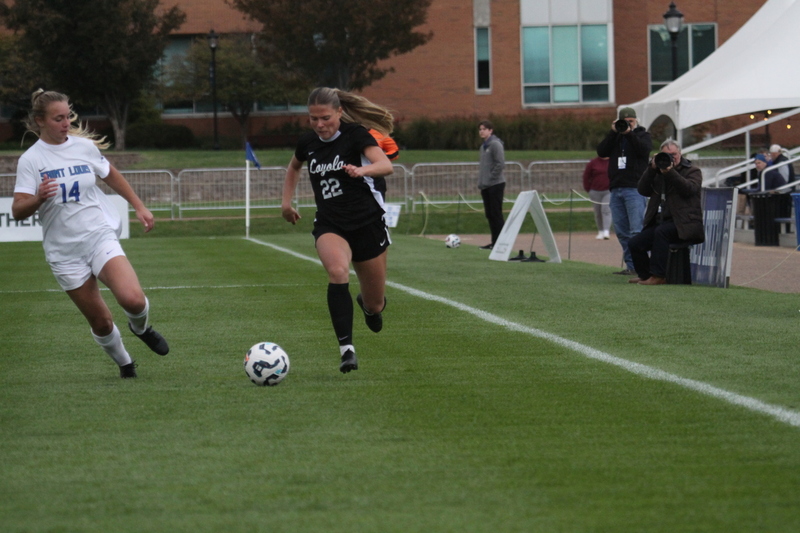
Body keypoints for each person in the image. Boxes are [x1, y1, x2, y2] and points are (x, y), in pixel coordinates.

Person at [12, 90, 168, 379]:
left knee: (133, 300)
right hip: (65, 253)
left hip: (98, 236)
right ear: (40, 121)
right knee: (102, 322)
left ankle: (141, 328)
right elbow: (18, 210)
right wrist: (38, 199)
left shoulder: (84, 148)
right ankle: (125, 364)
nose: (66, 123)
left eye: (68, 116)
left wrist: (139, 206)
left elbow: (111, 174)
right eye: (58, 118)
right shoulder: (31, 160)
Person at [281, 87, 394, 374]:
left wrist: (362, 171)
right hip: (331, 224)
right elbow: (294, 167)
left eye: (326, 118)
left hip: (367, 222)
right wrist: (286, 202)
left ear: (340, 113)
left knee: (375, 303)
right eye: (313, 119)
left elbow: (384, 165)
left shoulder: (356, 134)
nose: (320, 125)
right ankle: (347, 350)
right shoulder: (308, 142)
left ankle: (370, 307)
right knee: (338, 272)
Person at [628, 139, 704, 286]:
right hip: (661, 221)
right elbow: (642, 190)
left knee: (661, 233)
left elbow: (689, 190)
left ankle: (659, 276)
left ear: (680, 153)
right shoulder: (656, 171)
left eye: (674, 154)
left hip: (684, 223)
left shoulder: (692, 171)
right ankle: (645, 275)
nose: (671, 157)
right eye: (666, 155)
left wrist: (670, 172)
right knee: (635, 243)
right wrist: (651, 168)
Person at [596, 107, 651, 276]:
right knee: (621, 231)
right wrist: (613, 133)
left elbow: (643, 150)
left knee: (636, 230)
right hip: (616, 188)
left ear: (636, 121)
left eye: (631, 121)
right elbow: (601, 151)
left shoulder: (643, 135)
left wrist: (629, 133)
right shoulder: (615, 138)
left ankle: (644, 267)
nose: (627, 124)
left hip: (634, 188)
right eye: (624, 121)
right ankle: (631, 266)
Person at [477, 120, 505, 249]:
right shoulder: (483, 147)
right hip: (486, 186)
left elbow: (500, 164)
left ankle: (501, 242)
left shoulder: (495, 144)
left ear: (490, 130)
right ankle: (494, 242)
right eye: (480, 129)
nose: (481, 131)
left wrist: (490, 179)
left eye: (484, 129)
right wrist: (482, 182)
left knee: (496, 214)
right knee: (490, 215)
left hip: (495, 184)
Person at [582, 156, 611, 240]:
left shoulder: (613, 161)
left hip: (608, 191)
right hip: (595, 191)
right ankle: (600, 231)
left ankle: (606, 231)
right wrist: (588, 189)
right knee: (598, 212)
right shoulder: (593, 163)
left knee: (606, 210)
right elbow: (586, 176)